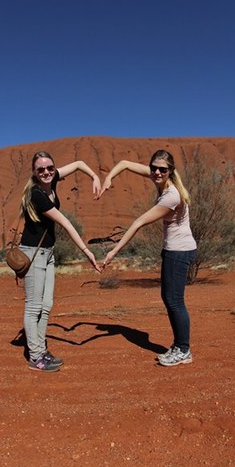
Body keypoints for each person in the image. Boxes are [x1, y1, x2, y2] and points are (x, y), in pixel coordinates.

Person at [99, 149, 197, 367]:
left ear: (171, 171)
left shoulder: (172, 195)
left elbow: (138, 223)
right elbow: (124, 162)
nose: (156, 173)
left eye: (162, 169)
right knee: (169, 298)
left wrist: (114, 251)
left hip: (179, 251)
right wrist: (109, 177)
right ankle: (180, 346)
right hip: (174, 250)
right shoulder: (158, 178)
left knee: (174, 301)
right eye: (153, 168)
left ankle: (184, 349)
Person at [18, 151, 101, 372]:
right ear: (34, 173)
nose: (46, 172)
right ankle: (35, 356)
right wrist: (87, 252)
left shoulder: (53, 179)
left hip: (48, 252)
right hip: (33, 254)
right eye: (41, 170)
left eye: (50, 168)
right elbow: (65, 223)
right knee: (34, 306)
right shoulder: (37, 194)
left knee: (46, 306)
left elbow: (80, 162)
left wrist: (95, 176)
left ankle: (41, 348)